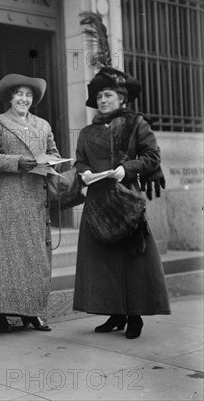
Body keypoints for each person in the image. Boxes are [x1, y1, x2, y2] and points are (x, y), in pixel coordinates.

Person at [72, 67, 171, 339]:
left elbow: (152, 156)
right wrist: (84, 172)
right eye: (99, 96)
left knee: (132, 259)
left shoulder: (136, 123)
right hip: (97, 200)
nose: (102, 100)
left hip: (126, 198)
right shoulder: (87, 131)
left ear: (121, 97)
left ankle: (135, 316)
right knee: (103, 260)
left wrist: (127, 168)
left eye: (108, 95)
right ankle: (114, 314)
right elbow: (80, 159)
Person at [0, 74, 59, 333]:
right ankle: (1, 312)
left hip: (35, 197)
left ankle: (32, 312)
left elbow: (55, 154)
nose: (24, 99)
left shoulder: (43, 125)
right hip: (7, 196)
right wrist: (17, 162)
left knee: (35, 256)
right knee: (3, 255)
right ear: (10, 97)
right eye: (19, 94)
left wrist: (50, 163)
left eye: (28, 95)